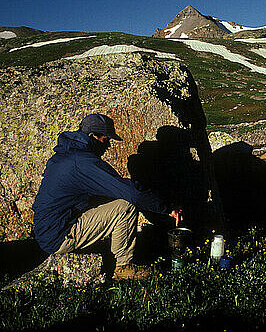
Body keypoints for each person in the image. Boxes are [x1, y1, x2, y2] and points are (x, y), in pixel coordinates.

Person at [32, 113, 182, 280]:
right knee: (125, 206)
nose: (109, 145)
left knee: (112, 200)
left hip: (48, 229)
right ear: (93, 136)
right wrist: (167, 208)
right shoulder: (83, 163)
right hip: (58, 235)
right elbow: (131, 193)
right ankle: (123, 267)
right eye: (106, 139)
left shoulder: (67, 154)